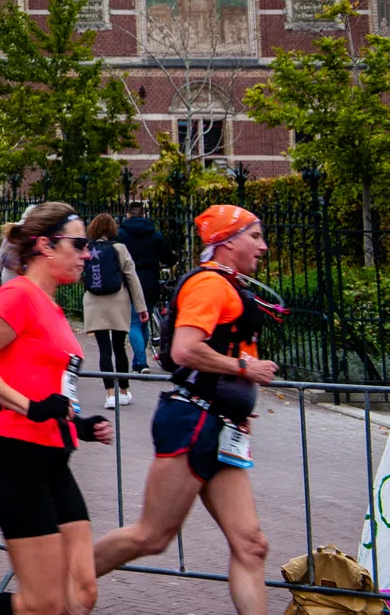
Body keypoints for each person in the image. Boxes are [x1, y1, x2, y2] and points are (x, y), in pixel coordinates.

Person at [94, 205, 276, 615]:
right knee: (153, 536)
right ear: (228, 241)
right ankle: (59, 586)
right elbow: (185, 349)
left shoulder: (228, 285)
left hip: (223, 427)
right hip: (192, 420)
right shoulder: (209, 285)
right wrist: (245, 368)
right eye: (255, 236)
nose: (262, 246)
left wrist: (237, 399)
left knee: (251, 544)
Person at [0, 202, 113, 615]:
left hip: (53, 456)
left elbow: (46, 384)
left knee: (81, 593)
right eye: (78, 244)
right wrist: (31, 408)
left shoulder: (52, 306)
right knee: (43, 603)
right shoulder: (17, 294)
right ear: (45, 245)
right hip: (15, 456)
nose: (87, 254)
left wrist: (78, 422)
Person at [81, 213, 147, 408]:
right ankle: (124, 391)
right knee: (119, 347)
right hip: (118, 300)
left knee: (104, 350)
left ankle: (110, 395)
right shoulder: (120, 249)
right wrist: (141, 307)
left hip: (93, 301)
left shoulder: (86, 249)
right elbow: (132, 278)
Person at [117, 200, 178, 370]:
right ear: (144, 214)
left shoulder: (121, 234)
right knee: (143, 321)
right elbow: (169, 259)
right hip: (150, 281)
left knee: (134, 322)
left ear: (127, 215)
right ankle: (138, 362)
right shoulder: (155, 235)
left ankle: (141, 361)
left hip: (129, 281)